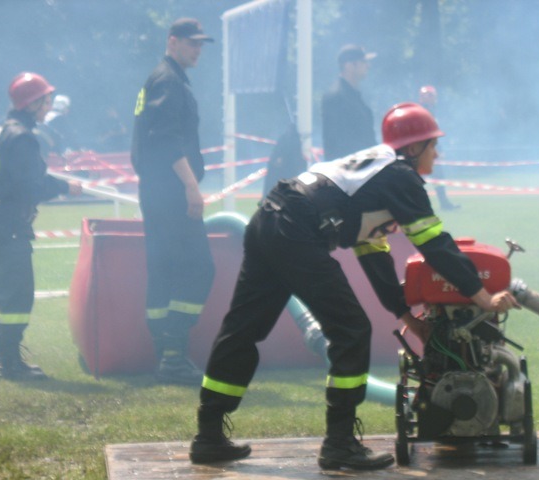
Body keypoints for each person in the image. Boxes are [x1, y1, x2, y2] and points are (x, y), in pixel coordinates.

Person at [189, 103, 520, 469]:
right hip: (297, 231)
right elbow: (435, 245)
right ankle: (340, 445)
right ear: (412, 149)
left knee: (242, 330)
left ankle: (207, 436)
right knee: (352, 330)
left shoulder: (379, 174)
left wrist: (408, 318)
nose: (437, 154)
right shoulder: (402, 178)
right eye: (432, 145)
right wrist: (483, 297)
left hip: (269, 219)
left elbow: (374, 257)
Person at [0, 72, 82, 380]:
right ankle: (9, 363)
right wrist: (64, 187)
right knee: (18, 295)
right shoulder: (22, 137)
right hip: (11, 224)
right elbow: (30, 185)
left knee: (3, 295)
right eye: (45, 100)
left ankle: (3, 359)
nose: (48, 105)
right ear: (32, 103)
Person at [130, 18, 216, 386]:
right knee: (199, 268)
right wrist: (191, 186)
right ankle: (173, 354)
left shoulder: (163, 77)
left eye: (201, 44)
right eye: (192, 43)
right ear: (173, 42)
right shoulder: (168, 80)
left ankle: (167, 355)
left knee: (164, 270)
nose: (198, 49)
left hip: (157, 191)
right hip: (170, 192)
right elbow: (166, 140)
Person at [321, 44, 377, 161]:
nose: (368, 66)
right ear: (349, 65)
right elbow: (338, 145)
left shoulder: (354, 96)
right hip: (349, 173)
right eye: (363, 62)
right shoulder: (335, 97)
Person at [418, 85, 460, 210]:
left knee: (438, 177)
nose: (431, 99)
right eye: (429, 96)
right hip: (425, 151)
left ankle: (444, 203)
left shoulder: (430, 111)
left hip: (428, 150)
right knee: (422, 178)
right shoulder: (424, 112)